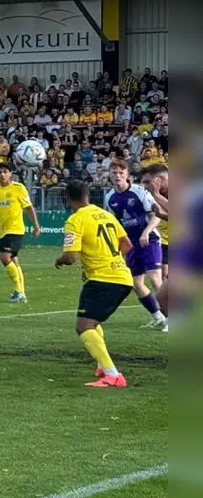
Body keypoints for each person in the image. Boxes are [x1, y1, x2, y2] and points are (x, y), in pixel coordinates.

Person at [55, 180, 135, 388]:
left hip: (103, 279)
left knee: (84, 326)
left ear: (68, 198)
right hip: (123, 277)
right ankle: (102, 365)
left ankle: (113, 375)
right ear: (87, 196)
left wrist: (59, 260)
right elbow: (126, 245)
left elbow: (71, 256)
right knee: (93, 322)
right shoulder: (106, 214)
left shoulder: (75, 220)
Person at [103, 161, 166, 329]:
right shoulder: (109, 197)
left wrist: (146, 232)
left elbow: (156, 215)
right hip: (131, 245)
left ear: (127, 175)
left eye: (120, 172)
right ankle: (157, 315)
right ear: (109, 175)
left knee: (155, 279)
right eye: (114, 172)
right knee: (134, 283)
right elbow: (113, 224)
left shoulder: (139, 191)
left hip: (149, 240)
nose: (117, 175)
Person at [0, 162, 42, 303]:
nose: (2, 175)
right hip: (2, 231)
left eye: (5, 171)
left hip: (15, 230)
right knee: (14, 260)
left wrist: (36, 226)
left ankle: (19, 291)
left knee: (4, 257)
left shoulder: (18, 188)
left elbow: (29, 208)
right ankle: (21, 293)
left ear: (10, 174)